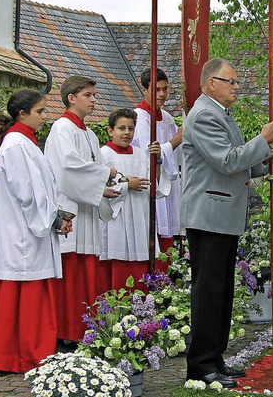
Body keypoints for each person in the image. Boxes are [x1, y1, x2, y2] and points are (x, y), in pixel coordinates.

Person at [181, 58, 273, 387]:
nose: (236, 87)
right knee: (208, 293)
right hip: (209, 215)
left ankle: (215, 357)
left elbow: (240, 160)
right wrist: (262, 140)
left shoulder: (221, 115)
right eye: (231, 81)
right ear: (211, 83)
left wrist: (264, 156)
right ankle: (200, 365)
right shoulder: (204, 116)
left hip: (222, 215)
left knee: (221, 292)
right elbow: (227, 161)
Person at [0, 89, 72, 373]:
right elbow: (26, 193)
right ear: (22, 113)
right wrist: (52, 219)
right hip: (22, 233)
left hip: (26, 228)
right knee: (23, 293)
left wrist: (55, 215)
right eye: (40, 111)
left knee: (22, 293)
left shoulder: (23, 142)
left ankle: (19, 354)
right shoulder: (16, 144)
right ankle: (19, 354)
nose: (44, 117)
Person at [44, 76, 120, 343]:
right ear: (71, 98)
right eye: (87, 95)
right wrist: (104, 173)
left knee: (87, 273)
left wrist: (103, 187)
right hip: (69, 209)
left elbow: (90, 172)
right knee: (71, 275)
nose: (93, 100)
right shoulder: (62, 128)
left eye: (93, 95)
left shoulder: (87, 133)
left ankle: (84, 332)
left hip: (87, 208)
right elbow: (67, 169)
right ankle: (66, 333)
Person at [99, 108, 167, 291]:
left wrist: (157, 161)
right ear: (110, 130)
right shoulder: (103, 155)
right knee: (117, 273)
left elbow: (155, 186)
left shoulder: (140, 154)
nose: (127, 133)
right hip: (117, 221)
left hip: (139, 216)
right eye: (122, 128)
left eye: (131, 128)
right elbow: (98, 189)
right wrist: (127, 185)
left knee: (140, 270)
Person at [132, 68, 182, 271]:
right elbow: (149, 154)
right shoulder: (138, 117)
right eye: (157, 90)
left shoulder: (168, 118)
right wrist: (177, 139)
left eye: (165, 89)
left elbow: (175, 158)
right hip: (151, 183)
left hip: (168, 185)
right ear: (144, 89)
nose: (162, 94)